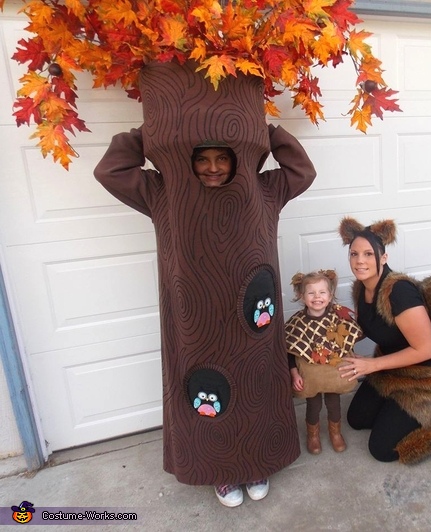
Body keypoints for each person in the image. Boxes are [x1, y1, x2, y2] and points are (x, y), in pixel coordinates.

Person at [94, 63, 316, 507]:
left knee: (254, 386)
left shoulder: (264, 191)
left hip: (253, 319)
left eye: (222, 157)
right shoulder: (163, 194)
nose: (213, 167)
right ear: (188, 160)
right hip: (196, 323)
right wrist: (152, 133)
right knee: (206, 392)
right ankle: (222, 473)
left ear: (236, 156)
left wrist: (264, 130)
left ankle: (256, 463)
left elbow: (302, 170)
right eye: (202, 157)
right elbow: (111, 171)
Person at [337, 216, 431, 464]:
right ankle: (397, 413)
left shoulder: (399, 292)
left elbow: (426, 349)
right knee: (356, 420)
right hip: (395, 367)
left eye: (368, 254)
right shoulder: (361, 288)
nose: (360, 261)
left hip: (428, 375)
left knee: (382, 450)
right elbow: (375, 327)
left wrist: (370, 365)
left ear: (383, 258)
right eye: (354, 254)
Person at [285, 270, 361, 455]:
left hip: (334, 373)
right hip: (311, 376)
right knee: (314, 405)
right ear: (301, 296)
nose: (317, 297)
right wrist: (294, 373)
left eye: (322, 292)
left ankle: (335, 433)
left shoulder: (338, 317)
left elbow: (347, 344)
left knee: (334, 403)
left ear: (330, 295)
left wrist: (354, 362)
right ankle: (313, 436)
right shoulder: (297, 323)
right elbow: (290, 351)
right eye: (311, 293)